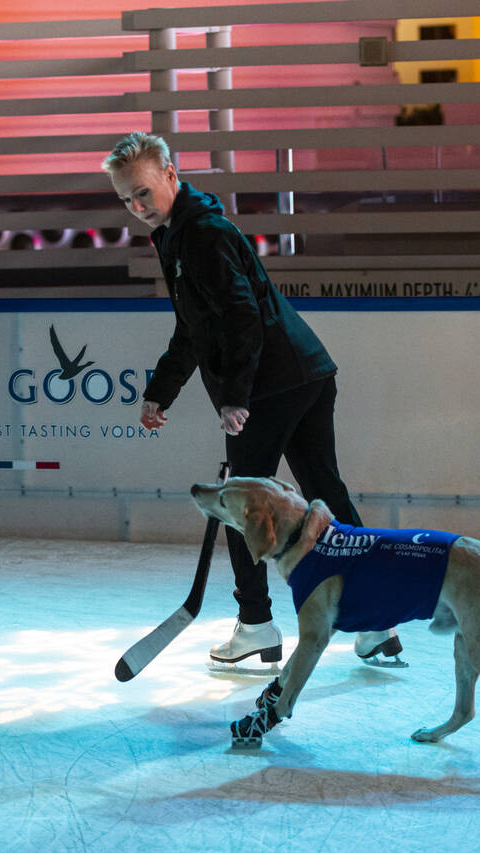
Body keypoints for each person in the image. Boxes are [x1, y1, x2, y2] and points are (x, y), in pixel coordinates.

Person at [102, 132, 405, 668]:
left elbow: (242, 318)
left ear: (172, 175)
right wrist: (160, 392)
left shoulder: (203, 235)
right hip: (305, 371)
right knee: (324, 496)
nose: (137, 207)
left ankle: (257, 624)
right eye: (127, 198)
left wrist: (235, 397)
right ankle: (376, 621)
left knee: (240, 506)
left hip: (272, 384)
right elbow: (195, 328)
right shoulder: (179, 233)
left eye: (144, 193)